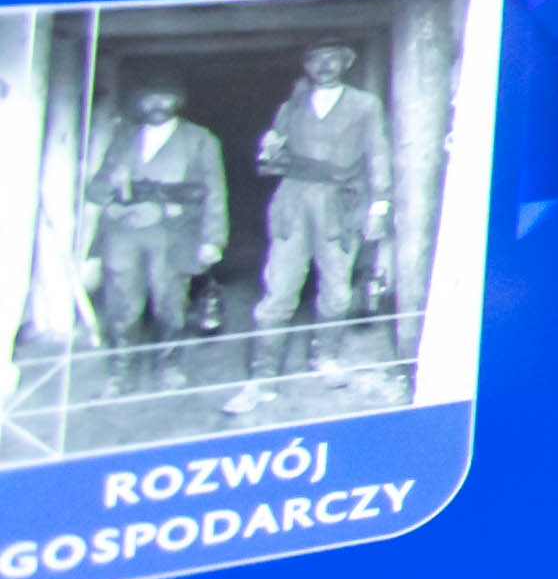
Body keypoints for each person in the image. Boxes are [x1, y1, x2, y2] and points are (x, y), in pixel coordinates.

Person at [246, 38, 388, 336]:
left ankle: (326, 354)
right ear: (306, 65)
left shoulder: (365, 105)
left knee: (336, 285)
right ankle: (265, 363)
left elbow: (378, 153)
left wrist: (379, 206)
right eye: (315, 58)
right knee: (280, 282)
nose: (324, 65)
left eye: (332, 57)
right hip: (293, 200)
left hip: (341, 204)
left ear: (345, 63)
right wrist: (269, 149)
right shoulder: (290, 107)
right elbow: (269, 165)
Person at [78, 75, 224, 348]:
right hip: (124, 232)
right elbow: (96, 188)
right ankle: (122, 366)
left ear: (178, 100)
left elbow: (214, 192)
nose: (157, 104)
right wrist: (110, 190)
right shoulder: (123, 138)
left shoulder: (200, 140)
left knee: (169, 301)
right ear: (139, 102)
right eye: (149, 98)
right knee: (121, 302)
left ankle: (168, 364)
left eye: (165, 97)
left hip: (173, 233)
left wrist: (212, 240)